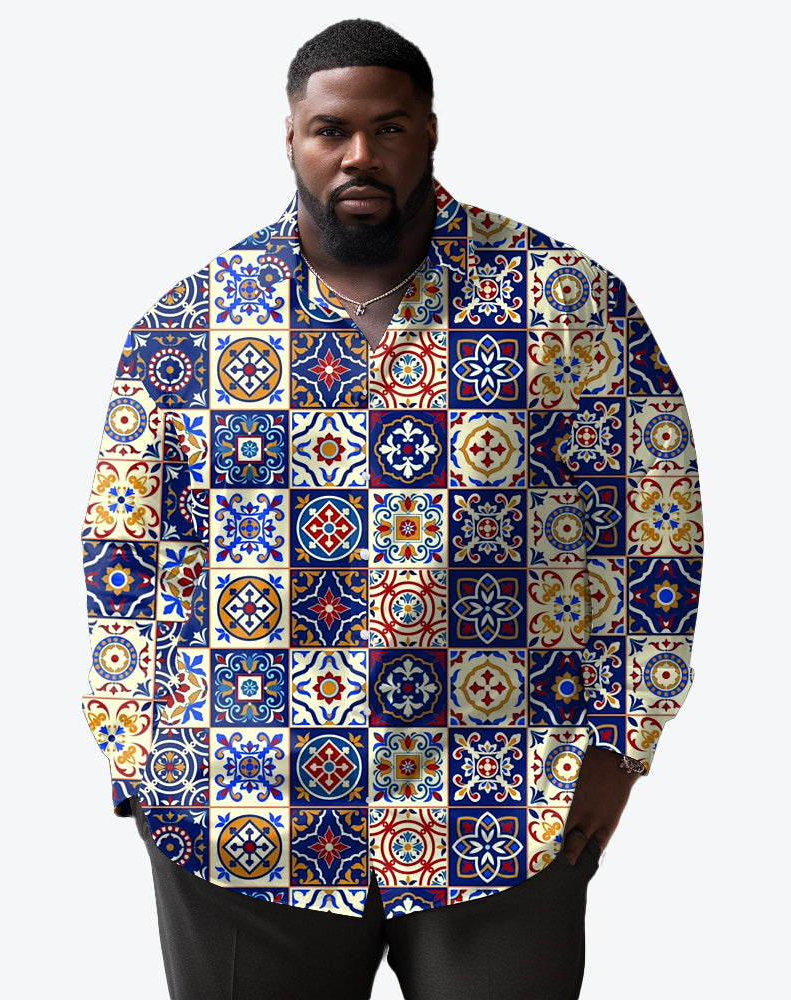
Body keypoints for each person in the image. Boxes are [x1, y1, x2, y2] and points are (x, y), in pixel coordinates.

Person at [81, 18, 704, 1000]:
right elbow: (127, 547)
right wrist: (137, 758)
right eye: (332, 130)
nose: (360, 154)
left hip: (502, 799)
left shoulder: (564, 301)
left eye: (390, 128)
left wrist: (622, 743)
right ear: (291, 137)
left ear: (431, 132)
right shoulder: (190, 324)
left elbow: (652, 523)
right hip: (244, 806)